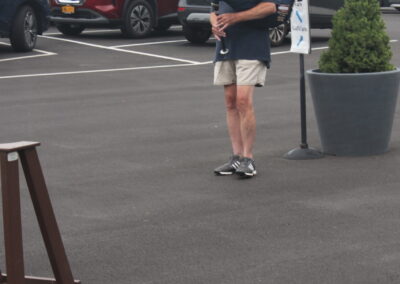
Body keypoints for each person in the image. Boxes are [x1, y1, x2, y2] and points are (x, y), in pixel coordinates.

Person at [211, 0, 276, 178]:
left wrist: (235, 17)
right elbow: (214, 10)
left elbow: (271, 7)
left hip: (251, 47)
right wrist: (214, 25)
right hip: (226, 46)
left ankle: (248, 159)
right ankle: (236, 157)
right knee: (230, 102)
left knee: (243, 101)